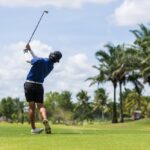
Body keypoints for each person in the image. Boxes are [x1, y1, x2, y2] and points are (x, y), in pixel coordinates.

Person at [23, 43, 62, 134]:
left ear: (51, 54)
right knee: (41, 106)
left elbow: (29, 60)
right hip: (39, 86)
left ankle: (33, 129)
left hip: (29, 84)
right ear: (57, 60)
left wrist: (25, 52)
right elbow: (37, 59)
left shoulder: (40, 61)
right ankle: (44, 119)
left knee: (31, 107)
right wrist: (30, 50)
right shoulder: (50, 66)